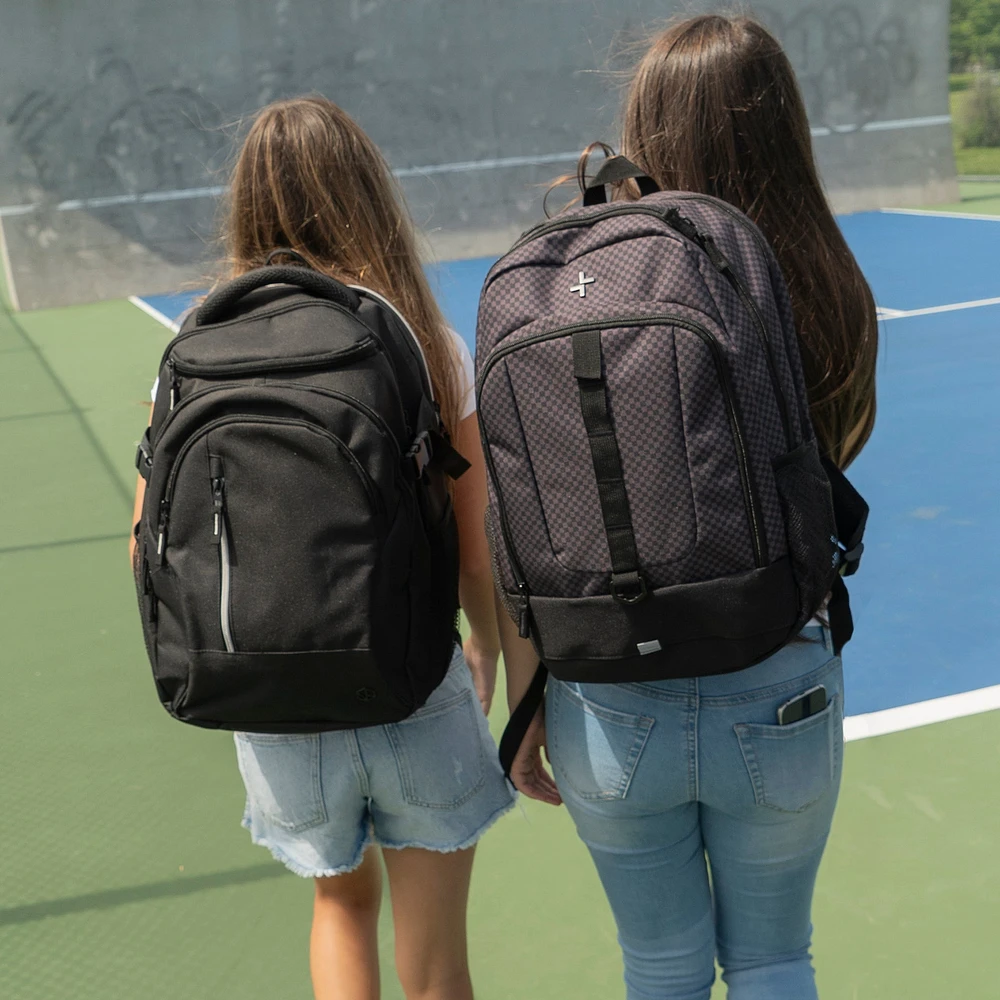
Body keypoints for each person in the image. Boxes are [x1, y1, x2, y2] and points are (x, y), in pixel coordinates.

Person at [499, 15, 877, 1000]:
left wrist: (528, 699)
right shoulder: (826, 285)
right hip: (777, 670)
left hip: (607, 689)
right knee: (773, 957)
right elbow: (834, 462)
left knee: (658, 965)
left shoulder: (579, 279)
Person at [129, 96, 514, 1000]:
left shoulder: (192, 349)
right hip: (412, 684)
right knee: (437, 965)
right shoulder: (425, 342)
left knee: (340, 911)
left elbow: (144, 544)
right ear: (370, 193)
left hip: (271, 701)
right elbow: (476, 547)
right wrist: (489, 647)